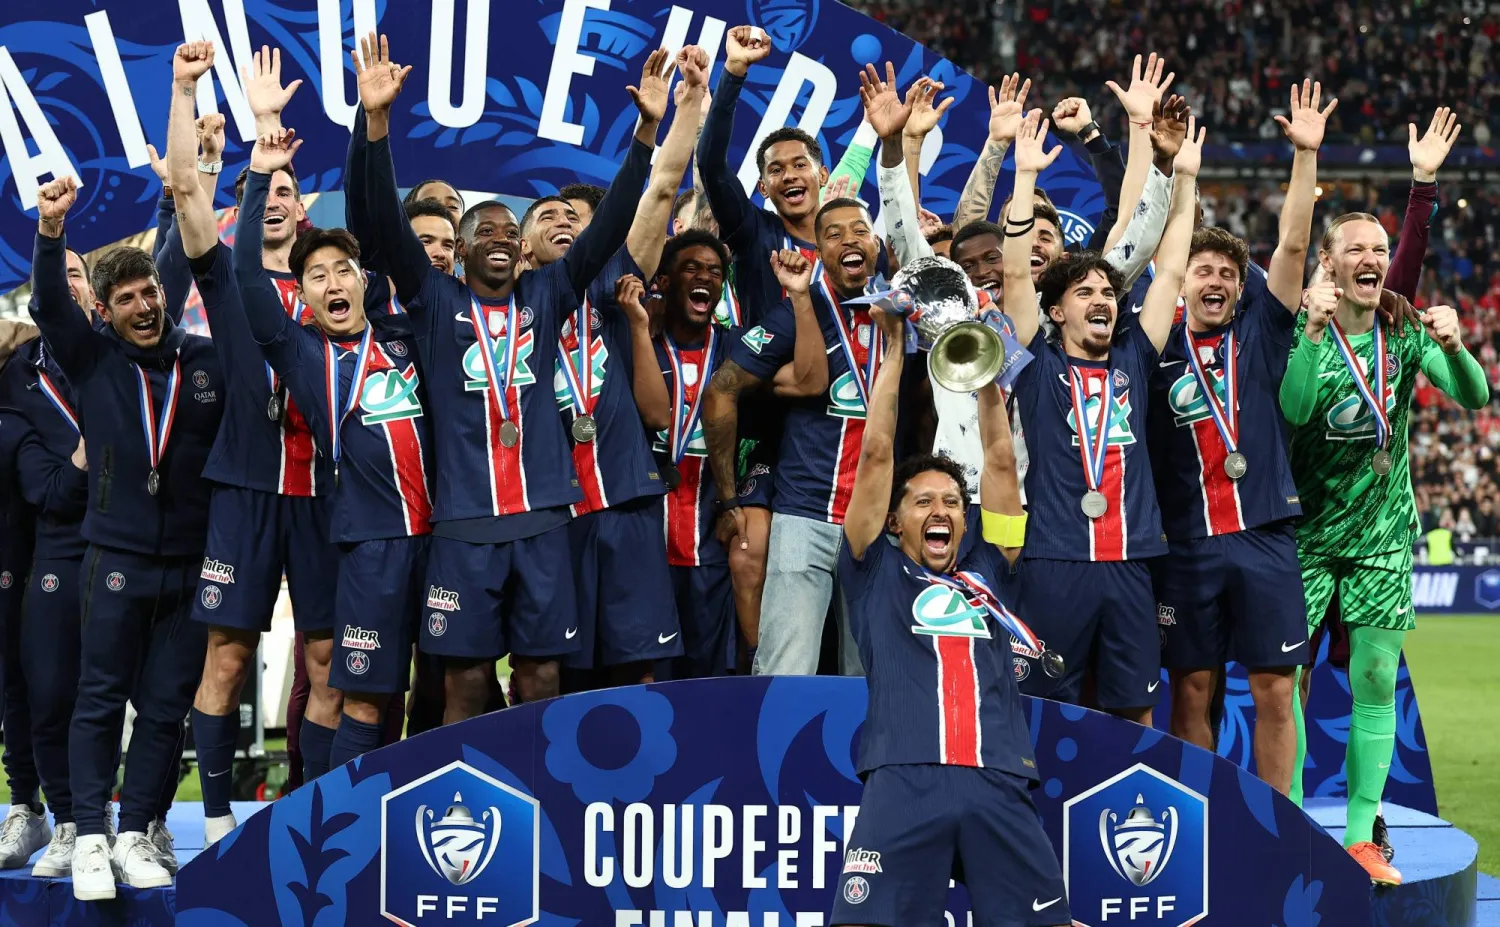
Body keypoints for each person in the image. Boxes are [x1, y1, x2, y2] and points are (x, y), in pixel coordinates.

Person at [348, 31, 657, 715]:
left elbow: (608, 230)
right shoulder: (433, 301)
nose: (499, 240)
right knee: (462, 682)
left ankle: (542, 799)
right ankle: (479, 810)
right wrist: (374, 123)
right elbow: (374, 219)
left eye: (508, 235)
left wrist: (644, 137)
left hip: (544, 514)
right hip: (463, 522)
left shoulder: (548, 296)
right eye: (483, 232)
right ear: (458, 250)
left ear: (521, 251)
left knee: (542, 677)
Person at [830, 291, 1068, 927]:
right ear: (894, 521)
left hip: (998, 777)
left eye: (952, 502)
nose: (941, 511)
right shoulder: (872, 568)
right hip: (903, 777)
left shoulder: (993, 567)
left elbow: (998, 460)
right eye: (923, 502)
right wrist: (890, 355)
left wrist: (986, 375)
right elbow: (875, 457)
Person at [32, 154, 224, 897]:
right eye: (128, 298)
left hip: (189, 562)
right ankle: (87, 833)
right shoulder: (92, 359)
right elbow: (52, 304)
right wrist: (52, 232)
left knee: (167, 707)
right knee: (100, 697)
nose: (145, 305)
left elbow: (192, 262)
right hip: (112, 556)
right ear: (105, 312)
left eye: (151, 292)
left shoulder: (202, 361)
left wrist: (191, 188)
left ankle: (139, 827)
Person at [1280, 214, 1488, 885]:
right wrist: (1312, 332)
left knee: (1374, 682)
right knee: (1285, 685)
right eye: (1356, 249)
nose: (1371, 258)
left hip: (1378, 536)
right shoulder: (1301, 325)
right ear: (1328, 261)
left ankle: (1362, 834)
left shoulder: (1402, 328)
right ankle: (1286, 825)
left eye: (1381, 248)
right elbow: (1297, 408)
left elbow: (1474, 394)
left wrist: (1455, 347)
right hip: (1306, 534)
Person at [1146, 80, 1336, 796]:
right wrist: (1170, 175)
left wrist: (1305, 158)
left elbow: (1292, 243)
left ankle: (1278, 827)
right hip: (1186, 543)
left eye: (1229, 272)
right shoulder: (1156, 346)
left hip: (1264, 535)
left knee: (1274, 691)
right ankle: (1204, 821)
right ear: (1183, 281)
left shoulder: (1261, 335)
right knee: (1191, 692)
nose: (1217, 280)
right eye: (1204, 270)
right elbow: (1155, 257)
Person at [179, 46, 346, 828]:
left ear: (304, 204)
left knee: (324, 663)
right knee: (230, 656)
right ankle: (216, 824)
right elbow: (186, 192)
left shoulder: (336, 286)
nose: (271, 199)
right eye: (259, 191)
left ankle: (305, 819)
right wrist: (258, 133)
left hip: (319, 493)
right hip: (245, 490)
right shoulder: (228, 274)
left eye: (284, 188)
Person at [232, 124, 434, 768]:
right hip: (371, 545)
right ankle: (325, 829)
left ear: (362, 281)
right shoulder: (300, 352)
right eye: (315, 276)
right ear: (307, 297)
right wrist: (262, 172)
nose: (331, 282)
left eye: (342, 269)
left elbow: (378, 224)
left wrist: (373, 128)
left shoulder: (410, 337)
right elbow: (242, 270)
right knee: (365, 700)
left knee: (448, 688)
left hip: (449, 538)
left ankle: (418, 822)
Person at [998, 109, 1202, 724]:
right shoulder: (1034, 363)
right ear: (1055, 312)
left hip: (1130, 559)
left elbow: (1169, 269)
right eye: (1084, 293)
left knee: (1134, 713)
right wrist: (1026, 182)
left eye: (1108, 293)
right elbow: (1012, 273)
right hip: (1054, 559)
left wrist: (1181, 175)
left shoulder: (1135, 357)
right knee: (1043, 710)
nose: (1102, 301)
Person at [520, 46, 707, 688]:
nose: (566, 222)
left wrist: (682, 110)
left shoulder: (609, 289)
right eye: (549, 216)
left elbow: (661, 186)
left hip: (624, 496)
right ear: (521, 246)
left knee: (638, 670)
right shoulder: (496, 316)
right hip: (549, 510)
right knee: (553, 675)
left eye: (577, 218)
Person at [696, 25, 841, 659]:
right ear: (763, 188)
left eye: (798, 164)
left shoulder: (853, 245)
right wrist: (732, 76)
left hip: (837, 423)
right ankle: (764, 689)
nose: (787, 175)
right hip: (766, 417)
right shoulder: (756, 235)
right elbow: (709, 164)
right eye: (773, 169)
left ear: (823, 174)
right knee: (750, 559)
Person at [629, 231, 739, 677]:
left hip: (709, 534)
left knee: (707, 674)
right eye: (692, 268)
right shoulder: (639, 342)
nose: (705, 278)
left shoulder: (737, 348)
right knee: (647, 673)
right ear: (666, 280)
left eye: (715, 272)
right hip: (646, 532)